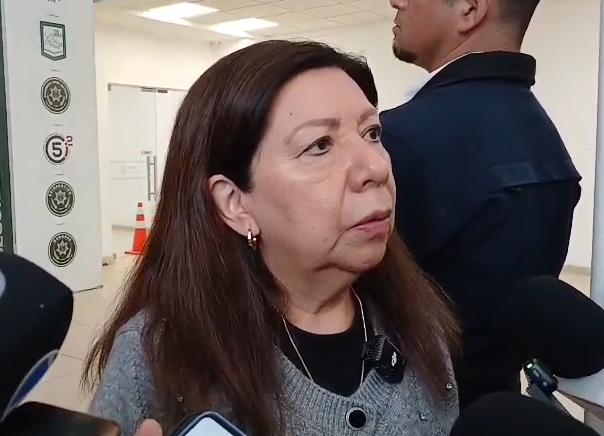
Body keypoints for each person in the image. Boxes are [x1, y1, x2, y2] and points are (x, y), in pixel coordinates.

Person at [82, 40, 460, 436]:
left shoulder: (415, 323)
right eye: (320, 145)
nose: (376, 167)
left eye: (372, 132)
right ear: (235, 203)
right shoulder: (156, 354)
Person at [383, 0, 582, 410]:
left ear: (470, 9)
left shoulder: (400, 140)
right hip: (495, 405)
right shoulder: (547, 141)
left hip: (409, 410)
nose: (396, 1)